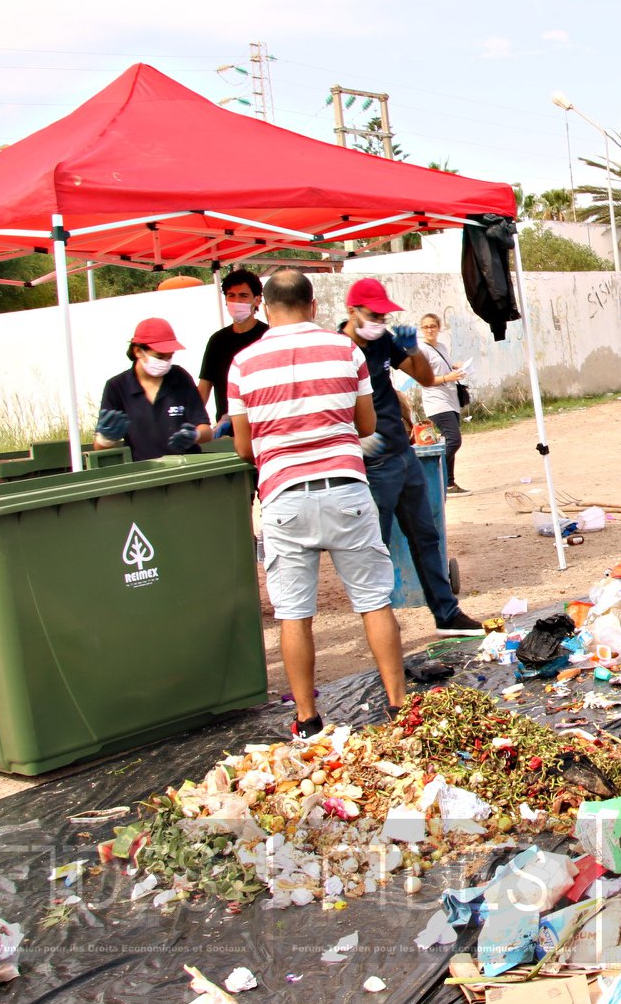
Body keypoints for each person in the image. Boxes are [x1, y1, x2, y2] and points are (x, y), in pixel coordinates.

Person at [227, 269, 408, 738]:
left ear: (266, 308)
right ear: (313, 305)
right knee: (373, 602)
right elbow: (367, 424)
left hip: (284, 497)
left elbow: (245, 449)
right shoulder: (345, 349)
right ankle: (398, 707)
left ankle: (307, 718)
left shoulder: (243, 363)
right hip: (346, 488)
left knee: (294, 613)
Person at [340, 280, 482, 640]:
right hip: (372, 464)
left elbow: (425, 377)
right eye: (373, 315)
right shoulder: (337, 349)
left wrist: (412, 348)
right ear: (351, 311)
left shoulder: (384, 340)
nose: (379, 320)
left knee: (426, 536)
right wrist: (356, 442)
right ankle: (382, 625)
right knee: (376, 547)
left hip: (401, 454)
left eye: (383, 315)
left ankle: (446, 614)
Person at [93, 318, 212, 462]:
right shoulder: (117, 387)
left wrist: (195, 436)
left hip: (186, 468)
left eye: (170, 356)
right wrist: (106, 439)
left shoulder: (180, 378)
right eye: (160, 356)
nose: (165, 362)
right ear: (138, 351)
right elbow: (98, 448)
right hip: (144, 472)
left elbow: (206, 430)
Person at [196, 269, 268, 423]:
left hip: (263, 426)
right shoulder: (217, 341)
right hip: (228, 430)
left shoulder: (268, 336)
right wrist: (193, 424)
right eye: (231, 296)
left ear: (257, 300)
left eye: (243, 295)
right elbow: (203, 388)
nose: (237, 301)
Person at [415, 311, 468, 494]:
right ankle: (432, 475)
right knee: (454, 440)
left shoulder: (441, 346)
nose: (430, 330)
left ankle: (449, 483)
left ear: (438, 328)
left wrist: (455, 367)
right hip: (436, 401)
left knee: (448, 440)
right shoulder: (421, 350)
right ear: (422, 330)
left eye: (433, 326)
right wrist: (447, 377)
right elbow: (424, 379)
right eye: (426, 327)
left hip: (450, 399)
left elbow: (443, 366)